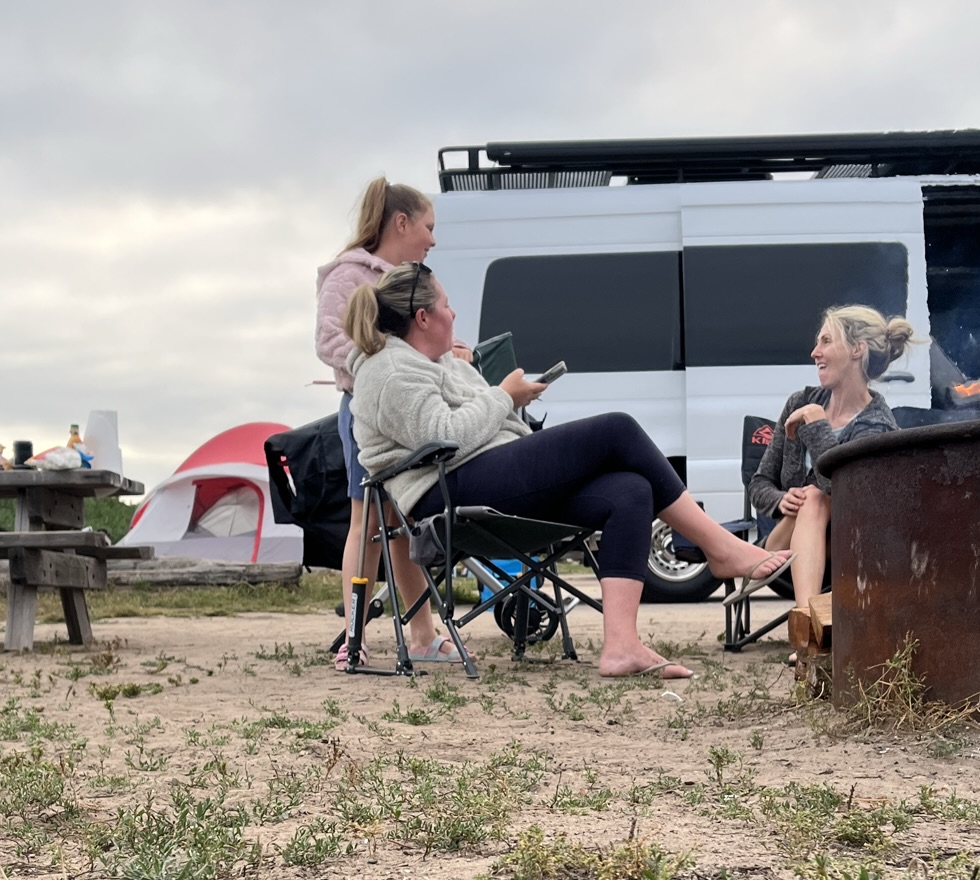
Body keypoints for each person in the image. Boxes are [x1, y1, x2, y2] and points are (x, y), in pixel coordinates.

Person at [343, 262, 787, 680]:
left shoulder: (439, 362)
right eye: (445, 304)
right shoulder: (389, 371)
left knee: (629, 490)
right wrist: (503, 396)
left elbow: (486, 423)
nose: (453, 311)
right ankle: (719, 546)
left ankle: (621, 645)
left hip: (489, 479)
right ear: (422, 318)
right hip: (451, 492)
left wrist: (504, 399)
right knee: (618, 429)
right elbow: (444, 435)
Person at [314, 179, 461, 667]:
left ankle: (422, 635)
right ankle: (354, 641)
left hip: (407, 407)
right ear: (401, 223)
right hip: (366, 411)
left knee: (402, 519)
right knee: (369, 518)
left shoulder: (406, 277)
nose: (433, 239)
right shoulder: (348, 275)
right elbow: (329, 342)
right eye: (428, 227)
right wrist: (382, 363)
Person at [739, 305, 911, 610]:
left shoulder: (878, 424)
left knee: (819, 496)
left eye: (826, 342)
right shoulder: (800, 401)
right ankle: (809, 625)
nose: (814, 352)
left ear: (857, 350)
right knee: (812, 498)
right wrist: (780, 501)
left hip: (849, 552)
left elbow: (848, 493)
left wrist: (817, 423)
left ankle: (806, 621)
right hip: (782, 550)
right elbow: (759, 483)